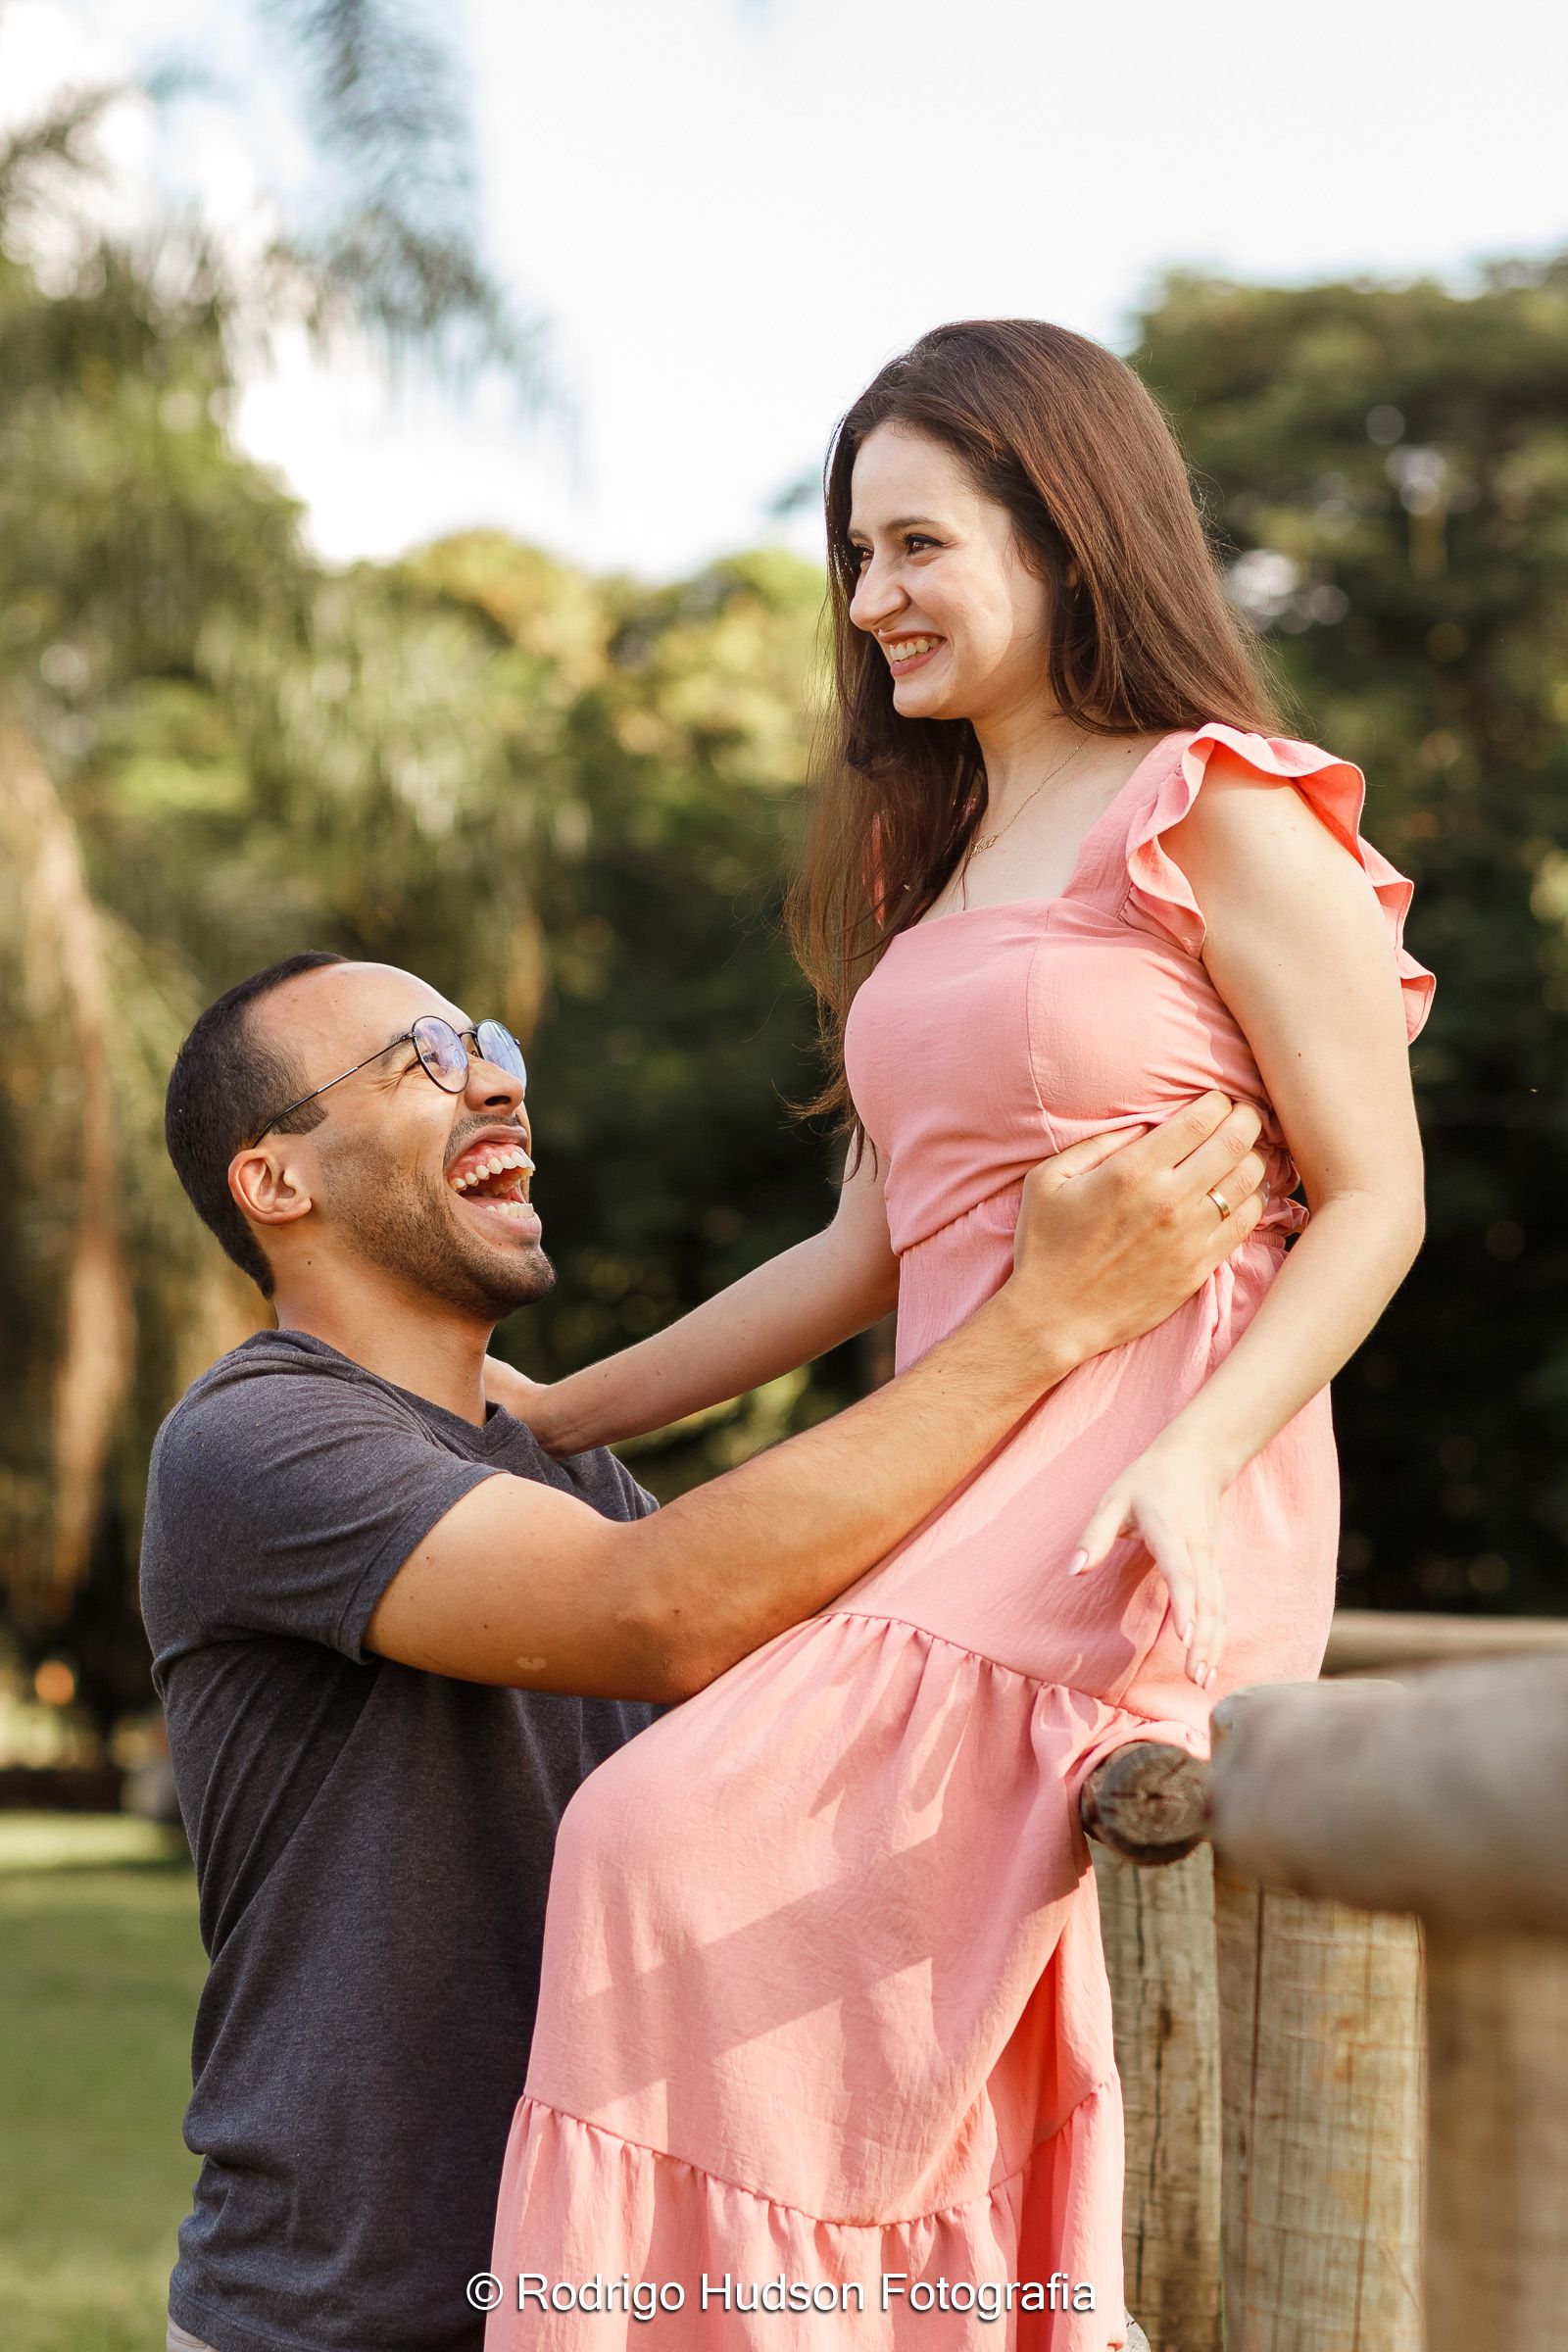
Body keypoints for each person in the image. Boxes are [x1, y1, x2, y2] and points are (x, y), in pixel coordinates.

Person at [484, 320, 1434, 2349]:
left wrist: (1187, 1458)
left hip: (1138, 1510)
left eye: (912, 546)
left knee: (653, 1829)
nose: (865, 603)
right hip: (953, 1490)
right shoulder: (949, 864)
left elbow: (1375, 1201)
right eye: (852, 556)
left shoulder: (1217, 811)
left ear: (1066, 537)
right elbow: (854, 1257)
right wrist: (557, 1409)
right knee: (661, 1850)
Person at [143, 946, 1265, 2352]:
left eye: (489, 1044)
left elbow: (826, 1657)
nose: (497, 1080)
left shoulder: (550, 1473)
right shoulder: (254, 1440)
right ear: (275, 1183)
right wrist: (1042, 1321)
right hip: (349, 2321)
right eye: (423, 1060)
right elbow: (658, 1611)